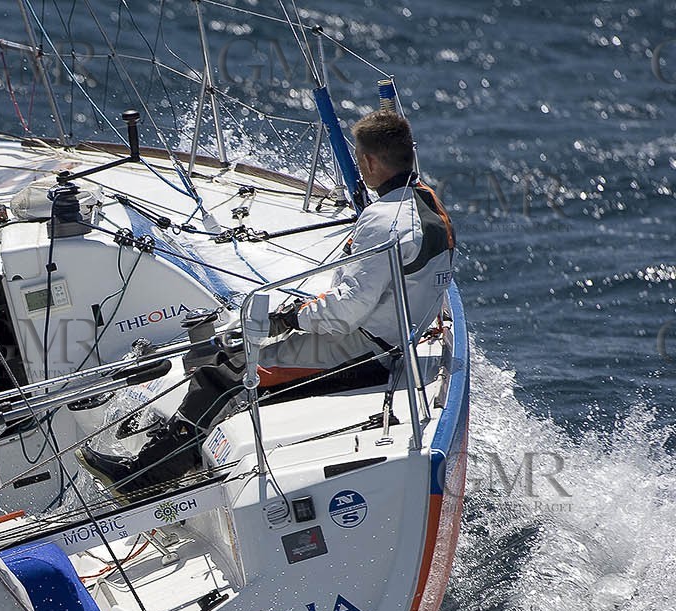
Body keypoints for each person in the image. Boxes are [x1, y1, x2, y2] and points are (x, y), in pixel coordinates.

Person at [80, 109, 456, 493]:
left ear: (369, 161)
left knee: (227, 368)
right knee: (240, 352)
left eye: (360, 161)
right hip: (389, 340)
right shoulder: (431, 205)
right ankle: (189, 455)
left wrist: (291, 319)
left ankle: (145, 477)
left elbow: (345, 312)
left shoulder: (382, 219)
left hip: (362, 352)